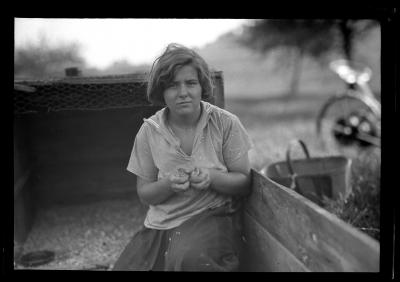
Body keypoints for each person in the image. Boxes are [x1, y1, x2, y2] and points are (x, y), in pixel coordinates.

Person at [112, 43, 253, 271]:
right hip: (161, 223)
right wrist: (168, 184)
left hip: (212, 215)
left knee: (190, 260)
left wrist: (210, 177)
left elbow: (244, 182)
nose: (183, 93)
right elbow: (145, 194)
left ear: (201, 86)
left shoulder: (225, 123)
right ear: (161, 91)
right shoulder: (149, 132)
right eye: (172, 86)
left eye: (191, 83)